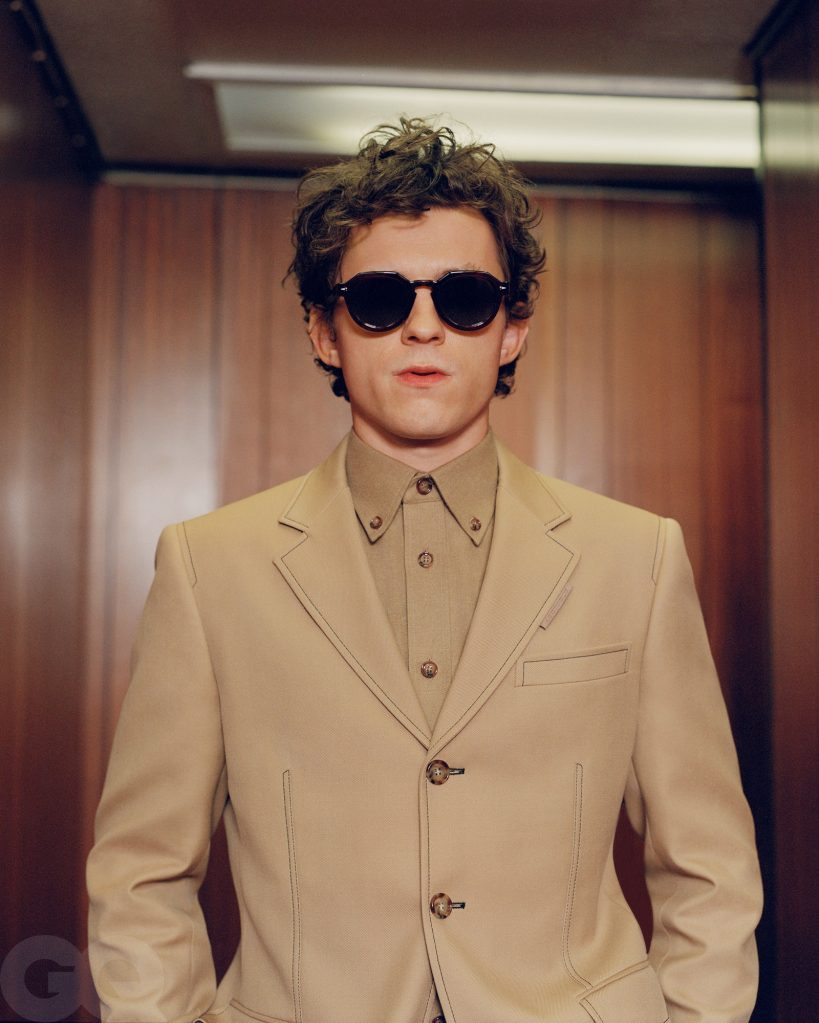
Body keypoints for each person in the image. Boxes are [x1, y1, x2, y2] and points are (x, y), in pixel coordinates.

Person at [87, 118, 762, 1023]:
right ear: (325, 332)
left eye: (465, 298)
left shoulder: (634, 559)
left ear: (511, 331)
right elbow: (141, 874)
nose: (421, 327)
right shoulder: (208, 568)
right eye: (376, 299)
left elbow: (708, 866)